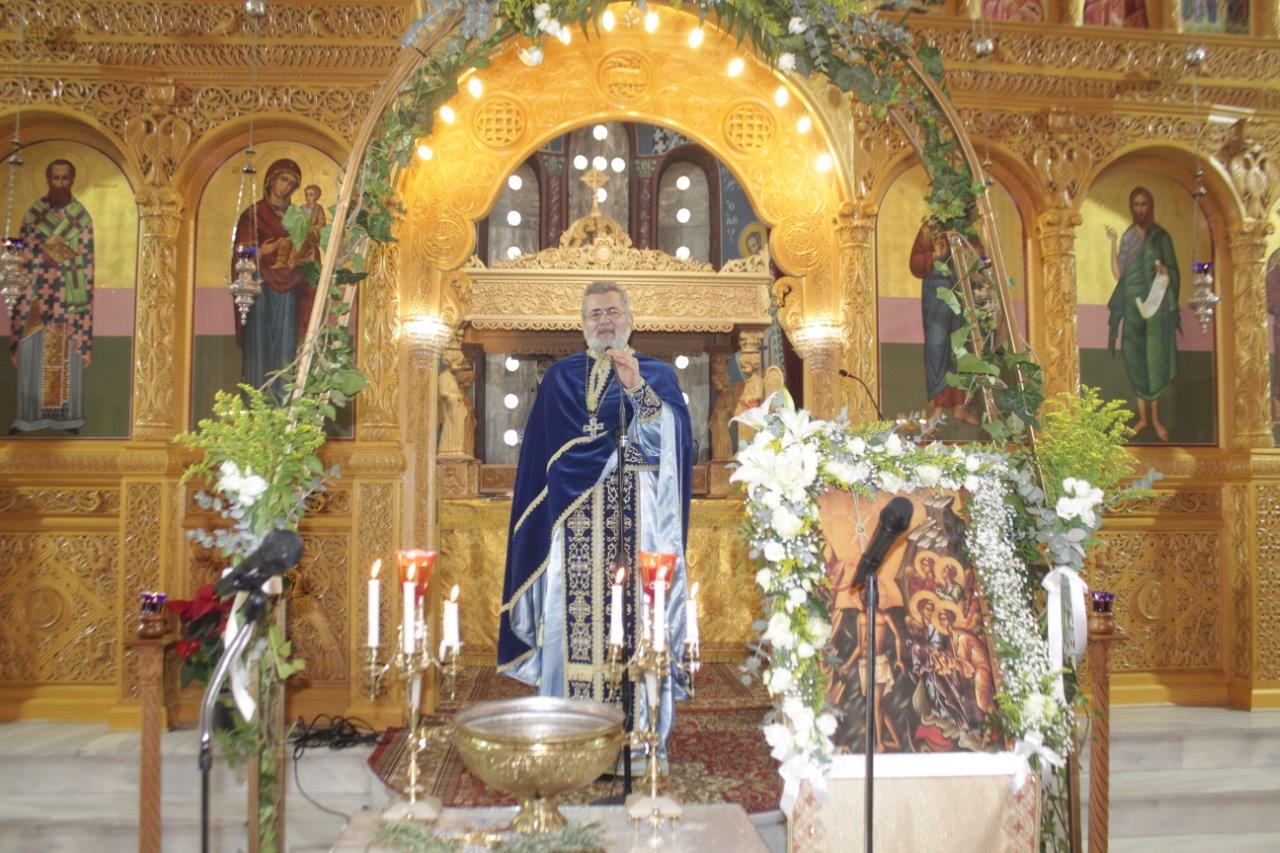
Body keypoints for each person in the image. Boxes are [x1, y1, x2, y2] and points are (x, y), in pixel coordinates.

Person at [498, 281, 693, 765]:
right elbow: (540, 462)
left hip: (639, 518)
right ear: (582, 324)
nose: (604, 321)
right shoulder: (559, 379)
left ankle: (639, 739)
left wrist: (638, 391)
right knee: (572, 625)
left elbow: (671, 448)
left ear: (630, 319)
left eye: (612, 312)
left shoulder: (658, 375)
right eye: (595, 315)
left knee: (640, 620)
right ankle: (571, 737)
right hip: (574, 525)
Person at [8, 159, 94, 434]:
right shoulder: (34, 214)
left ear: (72, 180)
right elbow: (22, 254)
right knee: (33, 352)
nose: (60, 183)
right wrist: (43, 252)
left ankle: (66, 419)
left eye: (64, 178)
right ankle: (27, 417)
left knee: (63, 354)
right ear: (48, 180)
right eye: (55, 178)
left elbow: (86, 260)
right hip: (36, 294)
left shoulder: (81, 218)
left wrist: (54, 249)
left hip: (67, 296)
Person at [233, 158, 315, 394]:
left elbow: (309, 247)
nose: (285, 186)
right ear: (271, 180)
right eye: (283, 179)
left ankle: (284, 401)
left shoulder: (297, 218)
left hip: (290, 290)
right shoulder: (254, 215)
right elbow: (241, 251)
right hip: (260, 288)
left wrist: (306, 254)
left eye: (291, 183)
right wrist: (267, 249)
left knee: (286, 345)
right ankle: (255, 400)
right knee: (258, 345)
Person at [1106, 186, 1180, 441]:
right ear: (1131, 207)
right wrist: (1113, 243)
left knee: (1154, 362)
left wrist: (1165, 272)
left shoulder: (1161, 238)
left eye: (1144, 204)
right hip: (1133, 306)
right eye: (1136, 204)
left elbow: (1172, 270)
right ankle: (1143, 419)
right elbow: (1119, 274)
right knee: (1136, 359)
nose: (1140, 209)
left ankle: (1156, 420)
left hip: (1156, 309)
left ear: (1151, 207)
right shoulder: (1128, 238)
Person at [909, 224, 979, 425]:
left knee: (961, 347)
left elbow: (980, 256)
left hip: (961, 290)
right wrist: (934, 255)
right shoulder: (929, 228)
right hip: (936, 292)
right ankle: (938, 410)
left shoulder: (965, 225)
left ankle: (960, 407)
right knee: (936, 347)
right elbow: (916, 264)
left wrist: (966, 253)